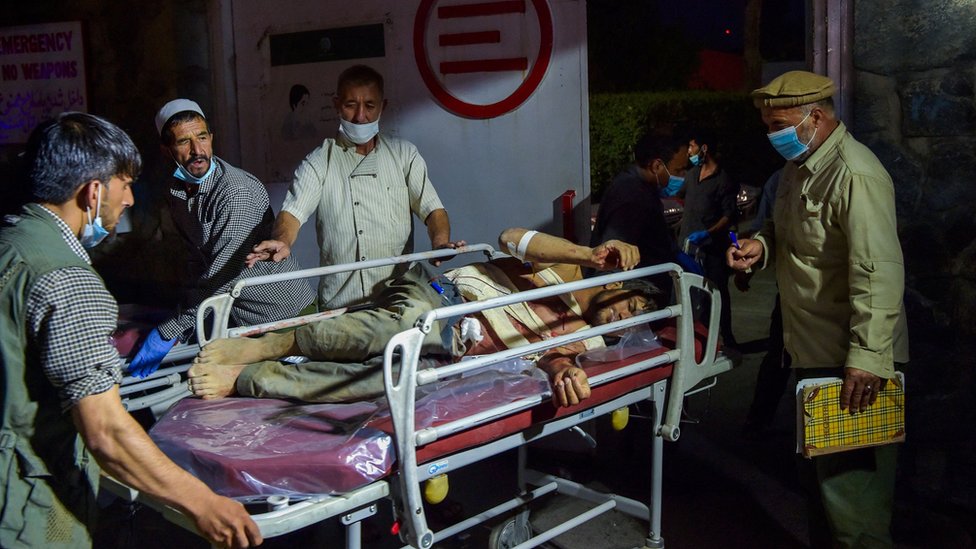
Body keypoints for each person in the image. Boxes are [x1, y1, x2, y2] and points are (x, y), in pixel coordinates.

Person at [0, 112, 261, 548]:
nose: (129, 199)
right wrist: (203, 502)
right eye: (124, 185)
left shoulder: (13, 244)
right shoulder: (67, 280)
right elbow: (106, 431)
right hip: (24, 507)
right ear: (93, 192)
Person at [728, 71, 909, 548]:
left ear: (817, 117)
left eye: (781, 125)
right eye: (768, 126)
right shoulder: (799, 167)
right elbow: (787, 233)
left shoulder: (854, 173)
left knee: (853, 507)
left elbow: (878, 272)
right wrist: (760, 247)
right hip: (812, 354)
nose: (773, 136)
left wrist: (867, 358)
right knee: (823, 496)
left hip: (850, 362)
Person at [188, 229, 656, 409]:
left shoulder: (593, 339)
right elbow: (510, 238)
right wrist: (589, 255)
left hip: (456, 353)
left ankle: (251, 378)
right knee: (397, 328)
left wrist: (561, 370)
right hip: (441, 298)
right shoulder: (571, 269)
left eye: (630, 324)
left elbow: (552, 357)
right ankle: (273, 343)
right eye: (631, 307)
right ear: (623, 284)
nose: (621, 319)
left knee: (378, 383)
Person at [247, 64, 463, 310]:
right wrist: (282, 240)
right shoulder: (320, 161)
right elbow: (292, 213)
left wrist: (440, 242)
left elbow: (433, 210)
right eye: (351, 105)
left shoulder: (404, 155)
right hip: (341, 304)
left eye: (370, 106)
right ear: (337, 104)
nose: (360, 116)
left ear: (383, 106)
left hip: (399, 298)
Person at [127, 99, 316, 378]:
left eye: (202, 137)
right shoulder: (177, 191)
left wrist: (170, 330)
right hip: (241, 323)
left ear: (212, 138)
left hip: (285, 320)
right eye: (184, 141)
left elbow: (221, 276)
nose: (197, 150)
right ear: (167, 150)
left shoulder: (235, 193)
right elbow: (195, 262)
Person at [589, 133, 688, 304]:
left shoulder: (641, 187)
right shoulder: (632, 198)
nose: (683, 176)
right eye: (678, 170)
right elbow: (612, 256)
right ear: (656, 166)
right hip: (636, 297)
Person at [734, 168, 792, 434]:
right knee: (779, 358)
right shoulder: (781, 179)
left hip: (830, 304)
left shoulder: (851, 173)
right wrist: (749, 262)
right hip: (790, 296)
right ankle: (758, 421)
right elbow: (766, 230)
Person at [678, 129, 739, 347]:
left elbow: (728, 216)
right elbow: (680, 195)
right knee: (691, 293)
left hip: (712, 249)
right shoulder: (692, 174)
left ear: (704, 148)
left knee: (716, 293)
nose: (689, 152)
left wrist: (708, 232)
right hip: (688, 247)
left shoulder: (723, 179)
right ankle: (698, 339)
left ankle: (726, 337)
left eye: (692, 147)